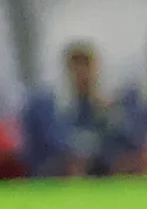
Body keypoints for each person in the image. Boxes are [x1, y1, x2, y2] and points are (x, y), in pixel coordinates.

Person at [48, 42, 141, 177]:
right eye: (76, 66)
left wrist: (109, 113)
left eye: (86, 65)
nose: (81, 72)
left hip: (113, 172)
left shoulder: (114, 104)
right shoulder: (61, 108)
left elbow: (130, 141)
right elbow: (59, 143)